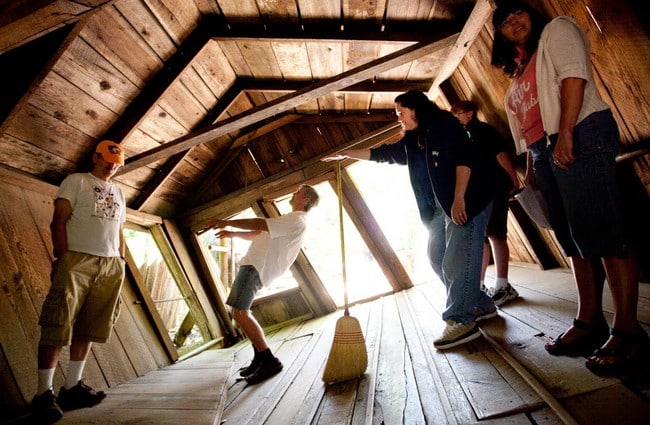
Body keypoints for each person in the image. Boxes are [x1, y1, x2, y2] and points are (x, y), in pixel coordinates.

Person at [491, 0, 648, 373]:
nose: (514, 19)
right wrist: (532, 167)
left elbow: (574, 77)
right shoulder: (520, 69)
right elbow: (528, 123)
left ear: (532, 15)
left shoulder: (556, 31)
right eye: (504, 20)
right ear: (499, 34)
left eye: (518, 11)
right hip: (543, 150)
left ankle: (628, 331)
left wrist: (566, 135)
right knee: (572, 239)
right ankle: (588, 320)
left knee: (603, 230)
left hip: (580, 132)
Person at [324, 90, 497, 350]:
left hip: (468, 199)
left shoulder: (444, 125)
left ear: (416, 109)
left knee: (456, 261)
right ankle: (480, 305)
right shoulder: (415, 140)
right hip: (441, 209)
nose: (399, 118)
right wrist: (347, 153)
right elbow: (384, 154)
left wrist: (460, 198)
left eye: (400, 113)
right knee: (437, 256)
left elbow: (465, 159)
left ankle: (461, 320)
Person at [32, 140, 126, 423]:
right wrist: (62, 258)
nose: (111, 165)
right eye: (107, 159)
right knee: (58, 322)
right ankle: (42, 394)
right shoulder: (76, 181)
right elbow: (58, 221)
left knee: (90, 325)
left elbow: (120, 228)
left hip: (110, 265)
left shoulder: (120, 191)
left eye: (117, 163)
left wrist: (121, 260)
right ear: (95, 156)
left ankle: (71, 387)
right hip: (77, 260)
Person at [203, 185, 319, 384]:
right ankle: (259, 358)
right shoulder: (288, 220)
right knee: (240, 312)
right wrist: (231, 233)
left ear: (306, 199)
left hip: (256, 267)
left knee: (240, 313)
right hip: (253, 266)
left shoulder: (296, 219)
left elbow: (260, 224)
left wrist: (225, 222)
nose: (293, 193)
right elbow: (259, 233)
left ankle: (269, 360)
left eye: (298, 192)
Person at [451, 100, 521, 306]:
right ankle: (479, 285)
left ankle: (503, 285)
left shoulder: (485, 131)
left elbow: (501, 155)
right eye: (454, 115)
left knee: (496, 233)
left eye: (459, 114)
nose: (457, 118)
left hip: (496, 186)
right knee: (480, 237)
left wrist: (513, 177)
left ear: (470, 113)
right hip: (478, 192)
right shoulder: (461, 137)